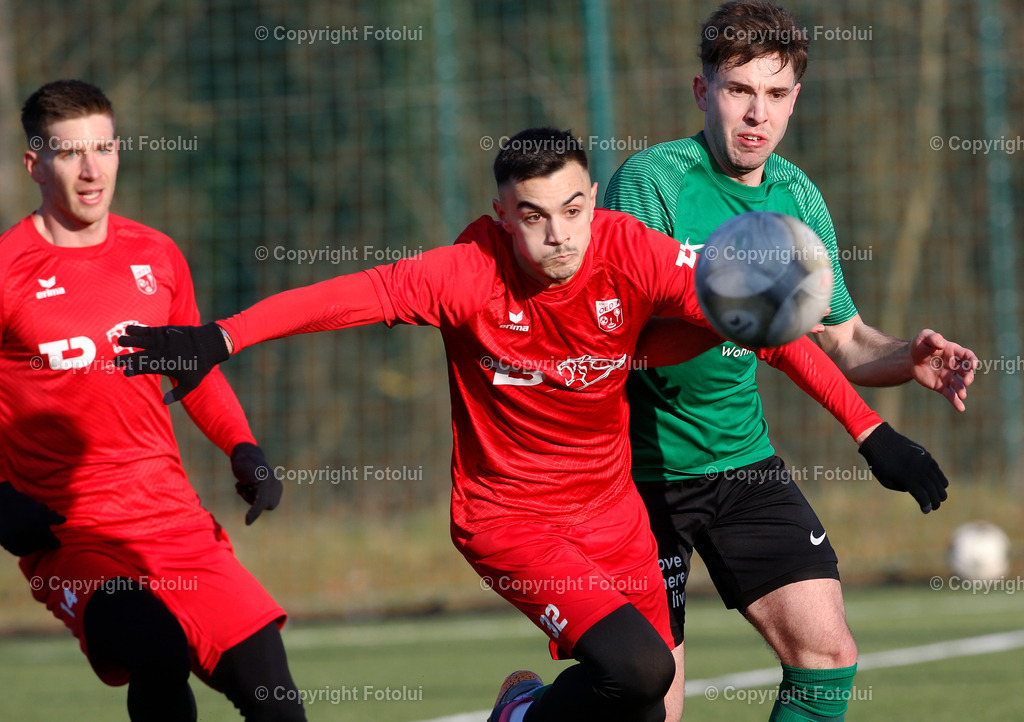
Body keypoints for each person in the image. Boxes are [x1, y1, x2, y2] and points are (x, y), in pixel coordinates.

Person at [114, 126, 946, 722]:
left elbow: (759, 319)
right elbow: (344, 297)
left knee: (645, 703)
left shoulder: (633, 251)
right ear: (502, 215)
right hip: (509, 521)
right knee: (641, 667)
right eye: (536, 216)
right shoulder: (464, 273)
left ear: (593, 202)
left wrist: (872, 434)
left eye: (575, 209)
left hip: (614, 515)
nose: (561, 235)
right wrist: (217, 338)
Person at [603, 2, 979, 720]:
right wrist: (731, 301)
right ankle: (526, 708)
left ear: (795, 99)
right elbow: (622, 337)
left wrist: (908, 357)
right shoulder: (651, 182)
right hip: (636, 476)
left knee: (827, 655)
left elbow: (841, 338)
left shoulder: (797, 197)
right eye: (738, 89)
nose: (756, 113)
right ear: (701, 91)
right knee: (652, 698)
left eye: (775, 95)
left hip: (741, 464)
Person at [0, 79, 305, 721]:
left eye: (105, 148)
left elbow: (193, 372)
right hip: (72, 537)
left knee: (276, 702)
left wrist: (241, 446)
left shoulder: (156, 254)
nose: (91, 171)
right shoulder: (7, 271)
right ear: (34, 164)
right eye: (69, 153)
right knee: (158, 652)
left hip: (175, 525)